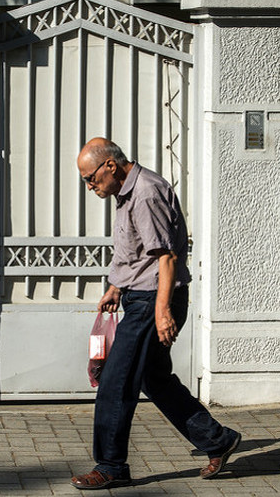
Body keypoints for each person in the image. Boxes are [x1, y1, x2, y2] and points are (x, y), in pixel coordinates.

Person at [71, 137, 241, 490]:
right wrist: (117, 287)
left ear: (110, 166)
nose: (89, 186)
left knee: (116, 382)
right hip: (142, 296)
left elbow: (166, 259)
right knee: (155, 378)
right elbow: (140, 254)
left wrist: (162, 312)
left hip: (153, 301)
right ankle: (217, 440)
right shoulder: (127, 193)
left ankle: (111, 465)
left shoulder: (146, 193)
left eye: (90, 178)